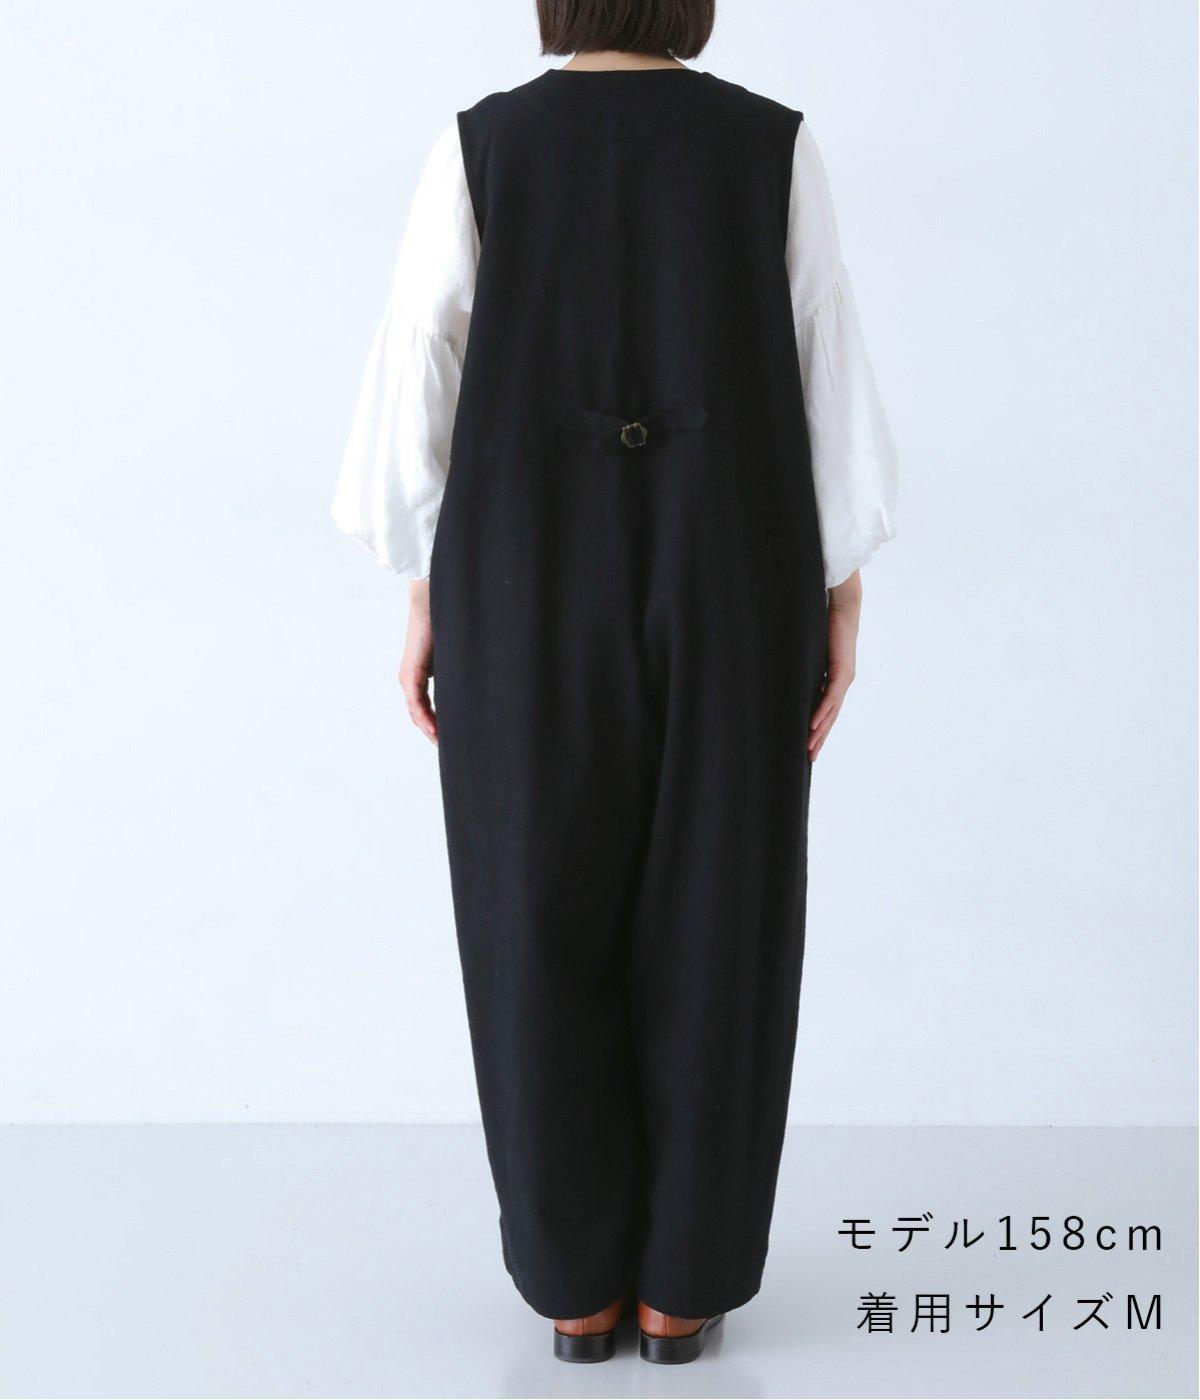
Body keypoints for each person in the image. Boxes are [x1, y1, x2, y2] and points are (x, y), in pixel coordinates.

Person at [332, 0, 897, 1365]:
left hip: (522, 572)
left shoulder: (482, 147)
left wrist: (426, 587)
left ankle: (573, 1284)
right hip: (734, 571)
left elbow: (422, 370)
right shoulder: (771, 146)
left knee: (531, 910)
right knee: (722, 909)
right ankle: (682, 1286)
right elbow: (821, 360)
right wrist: (839, 588)